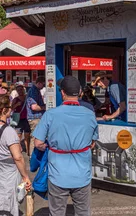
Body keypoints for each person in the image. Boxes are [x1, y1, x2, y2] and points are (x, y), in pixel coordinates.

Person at [33, 76, 98, 216]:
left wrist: (49, 147)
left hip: (58, 173)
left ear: (62, 93)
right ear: (80, 92)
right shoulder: (90, 115)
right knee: (83, 213)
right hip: (82, 174)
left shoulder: (50, 115)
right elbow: (93, 143)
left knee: (56, 213)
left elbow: (37, 142)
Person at [11, 83, 34, 155]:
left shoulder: (27, 97)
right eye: (18, 90)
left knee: (27, 135)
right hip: (18, 119)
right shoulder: (15, 99)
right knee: (19, 135)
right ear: (17, 91)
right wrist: (17, 105)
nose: (20, 91)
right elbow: (11, 108)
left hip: (27, 118)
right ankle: (18, 150)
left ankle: (28, 151)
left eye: (21, 90)